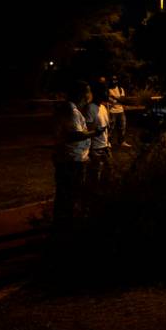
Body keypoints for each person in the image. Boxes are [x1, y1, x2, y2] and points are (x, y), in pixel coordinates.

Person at [53, 81, 95, 226]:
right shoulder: (72, 111)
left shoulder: (70, 109)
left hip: (69, 158)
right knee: (70, 193)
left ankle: (62, 223)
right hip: (72, 160)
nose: (89, 95)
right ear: (81, 94)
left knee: (65, 194)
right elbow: (74, 135)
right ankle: (66, 225)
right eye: (87, 91)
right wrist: (94, 132)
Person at [85, 83, 112, 192]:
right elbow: (88, 128)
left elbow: (106, 128)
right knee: (95, 177)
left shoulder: (103, 107)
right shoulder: (90, 108)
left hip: (105, 146)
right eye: (105, 91)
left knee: (108, 174)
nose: (107, 94)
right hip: (95, 148)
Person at [107, 74, 129, 148]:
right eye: (113, 80)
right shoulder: (107, 90)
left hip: (120, 110)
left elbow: (122, 100)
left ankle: (121, 142)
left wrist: (113, 97)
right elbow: (108, 100)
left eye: (115, 79)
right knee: (111, 128)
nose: (114, 81)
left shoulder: (120, 89)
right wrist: (118, 99)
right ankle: (108, 142)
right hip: (112, 111)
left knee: (122, 127)